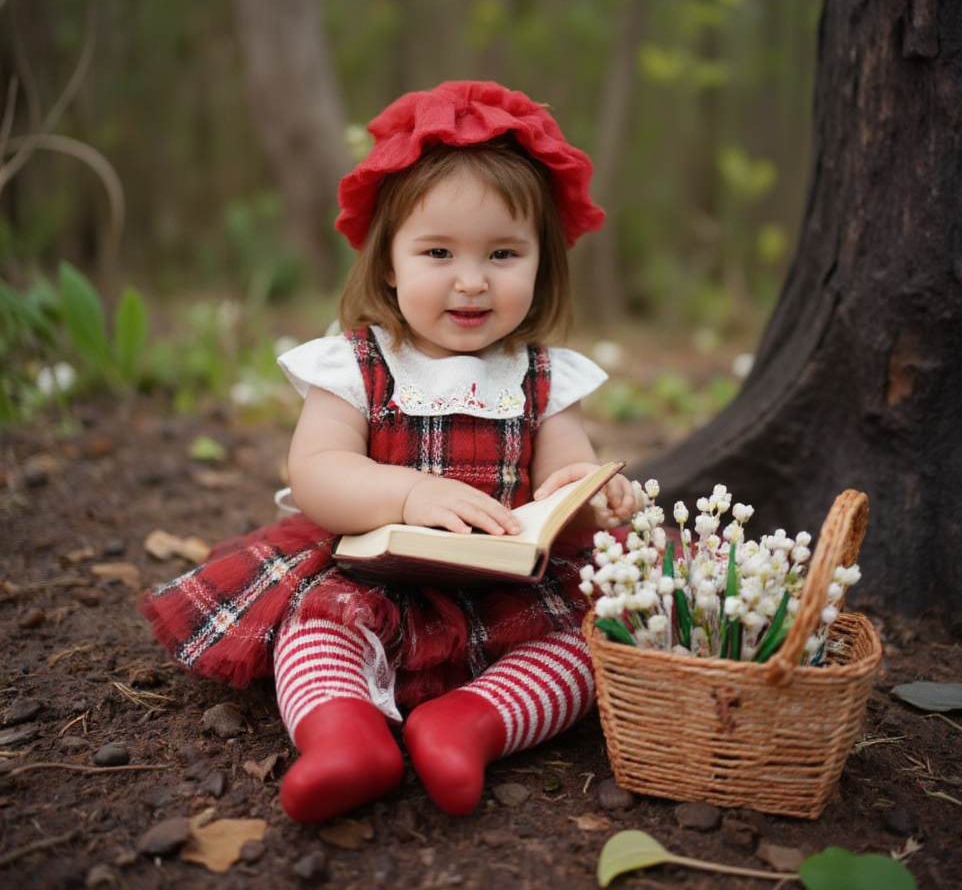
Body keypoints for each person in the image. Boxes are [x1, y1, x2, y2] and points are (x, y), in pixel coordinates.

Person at [140, 80, 635, 825]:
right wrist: (407, 495)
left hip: (501, 594)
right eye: (439, 251)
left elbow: (565, 479)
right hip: (371, 578)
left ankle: (471, 724)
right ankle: (344, 741)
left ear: (541, 264)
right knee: (315, 631)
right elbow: (315, 474)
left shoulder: (542, 375)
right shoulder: (356, 364)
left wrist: (589, 500)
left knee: (590, 648)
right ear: (391, 262)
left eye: (503, 253)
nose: (472, 280)